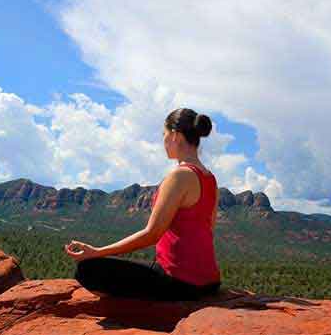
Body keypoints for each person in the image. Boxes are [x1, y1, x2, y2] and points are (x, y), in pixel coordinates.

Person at [64, 108, 221, 301]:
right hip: (210, 282)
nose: (163, 142)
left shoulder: (180, 176)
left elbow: (152, 234)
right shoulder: (210, 179)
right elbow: (209, 229)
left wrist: (97, 252)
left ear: (175, 136)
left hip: (180, 282)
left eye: (164, 135)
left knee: (88, 270)